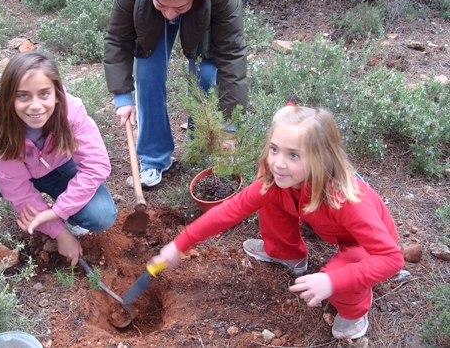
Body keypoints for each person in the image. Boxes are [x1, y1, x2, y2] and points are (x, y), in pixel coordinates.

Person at [150, 104, 404, 340]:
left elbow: (391, 258)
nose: (279, 163)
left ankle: (354, 312)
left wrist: (332, 282)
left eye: (294, 155)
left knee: (337, 275)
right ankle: (287, 254)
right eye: (274, 149)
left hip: (368, 246)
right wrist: (180, 243)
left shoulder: (346, 199)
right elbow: (231, 210)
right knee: (270, 196)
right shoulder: (278, 180)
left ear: (320, 158)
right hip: (333, 229)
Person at [0, 51, 117, 285]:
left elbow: (96, 165)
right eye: (23, 96)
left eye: (44, 94)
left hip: (59, 168)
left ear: (57, 94)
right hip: (13, 172)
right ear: (9, 98)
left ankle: (71, 217)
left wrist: (57, 212)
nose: (35, 106)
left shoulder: (72, 112)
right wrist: (61, 234)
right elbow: (18, 189)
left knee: (101, 216)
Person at [103, 0, 247, 188]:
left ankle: (203, 146)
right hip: (150, 10)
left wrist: (228, 125)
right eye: (163, 5)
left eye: (179, 7)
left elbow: (231, 53)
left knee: (206, 72)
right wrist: (122, 96)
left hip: (203, 8)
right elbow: (117, 38)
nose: (170, 15)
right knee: (147, 72)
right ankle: (153, 158)